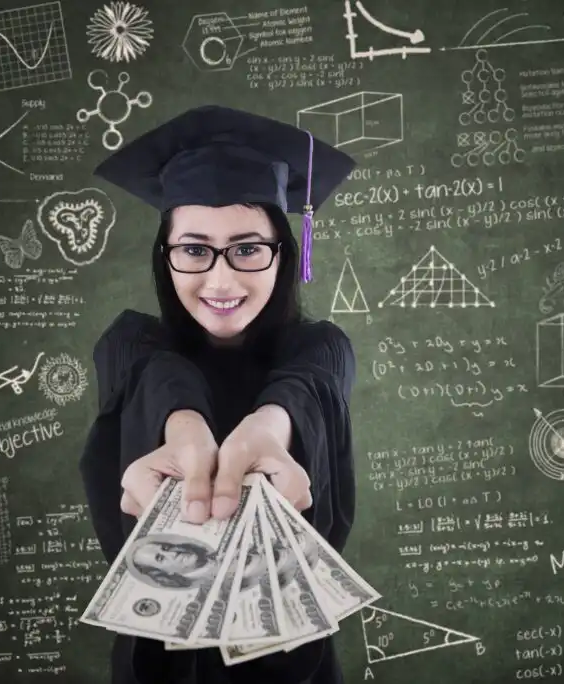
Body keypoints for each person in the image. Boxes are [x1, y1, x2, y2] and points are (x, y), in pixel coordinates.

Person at [78, 105, 358, 684]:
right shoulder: (132, 343)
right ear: (166, 255)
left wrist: (269, 428)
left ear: (284, 253)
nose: (221, 280)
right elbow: (153, 373)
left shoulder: (319, 348)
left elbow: (308, 385)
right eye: (195, 249)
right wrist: (184, 426)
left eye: (248, 248)